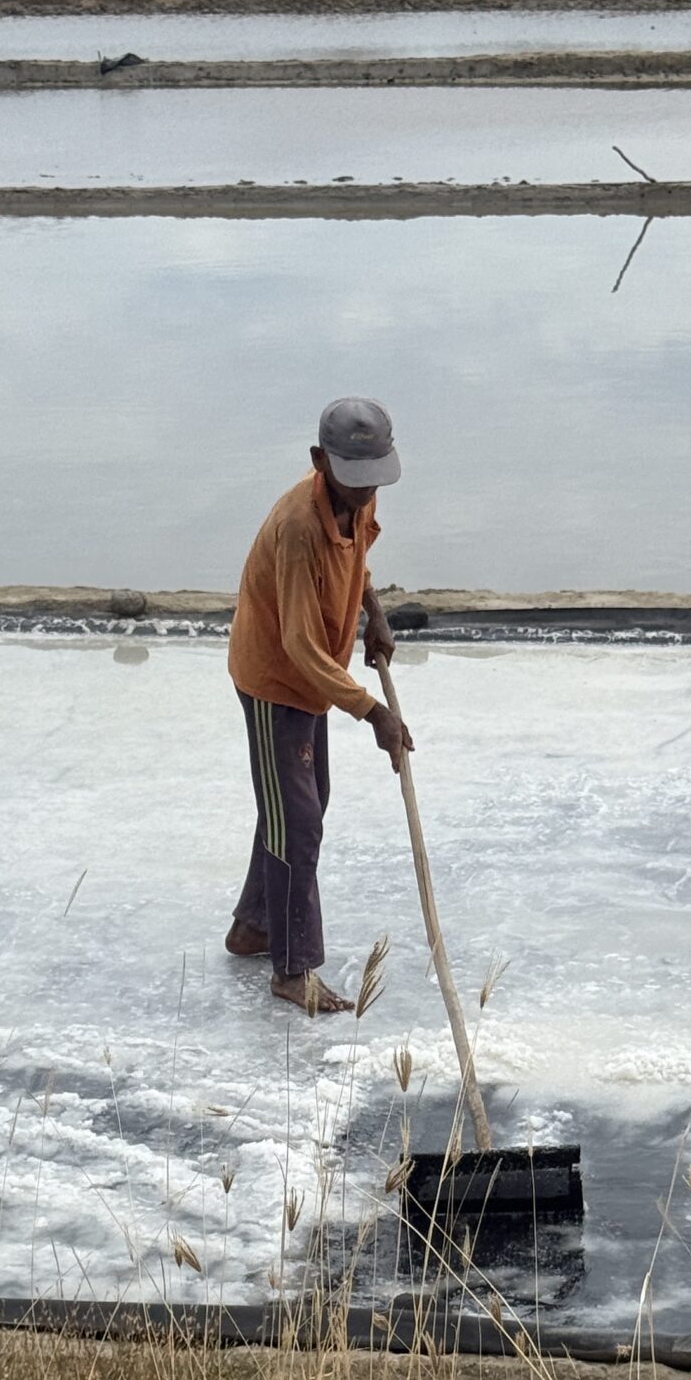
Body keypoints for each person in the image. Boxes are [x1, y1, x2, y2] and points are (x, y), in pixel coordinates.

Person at [225, 397, 415, 1015]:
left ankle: (254, 925)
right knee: (297, 820)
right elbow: (300, 647)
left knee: (301, 805)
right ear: (319, 460)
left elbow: (357, 558)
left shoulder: (357, 496)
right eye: (354, 481)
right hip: (275, 679)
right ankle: (292, 968)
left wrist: (374, 615)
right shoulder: (297, 529)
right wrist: (373, 712)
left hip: (315, 677)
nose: (365, 496)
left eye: (373, 482)